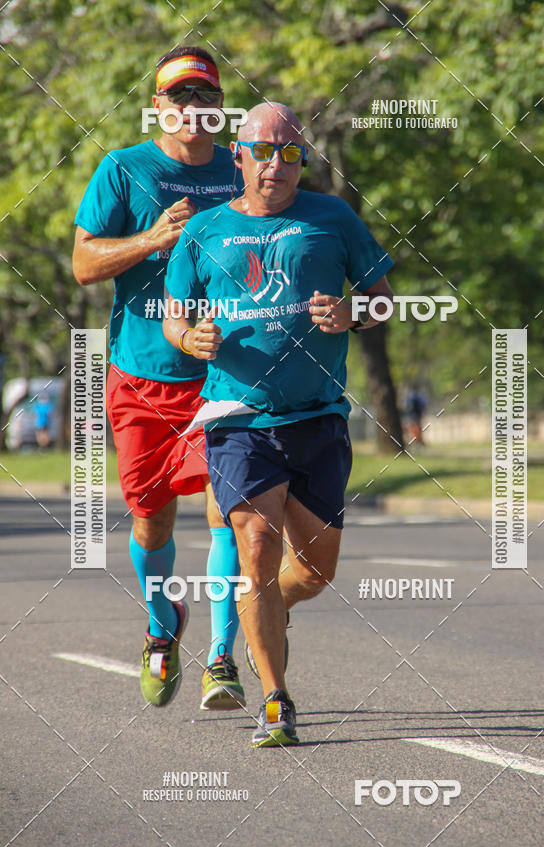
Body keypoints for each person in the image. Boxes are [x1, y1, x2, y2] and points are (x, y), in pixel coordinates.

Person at [164, 102, 394, 746]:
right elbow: (174, 317)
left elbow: (382, 297)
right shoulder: (204, 232)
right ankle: (275, 699)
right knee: (256, 550)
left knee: (314, 574)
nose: (276, 165)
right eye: (263, 152)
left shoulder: (332, 217)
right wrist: (189, 337)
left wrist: (357, 313)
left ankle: (264, 614)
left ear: (303, 161)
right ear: (238, 157)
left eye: (290, 153)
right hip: (238, 419)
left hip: (318, 417)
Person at [72, 46, 245, 710]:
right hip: (142, 374)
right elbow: (85, 265)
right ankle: (159, 631)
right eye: (179, 99)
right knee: (152, 522)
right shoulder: (124, 170)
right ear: (157, 107)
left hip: (223, 375)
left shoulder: (242, 170)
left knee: (229, 513)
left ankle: (222, 659)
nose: (193, 110)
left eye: (205, 98)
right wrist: (152, 238)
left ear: (219, 107)